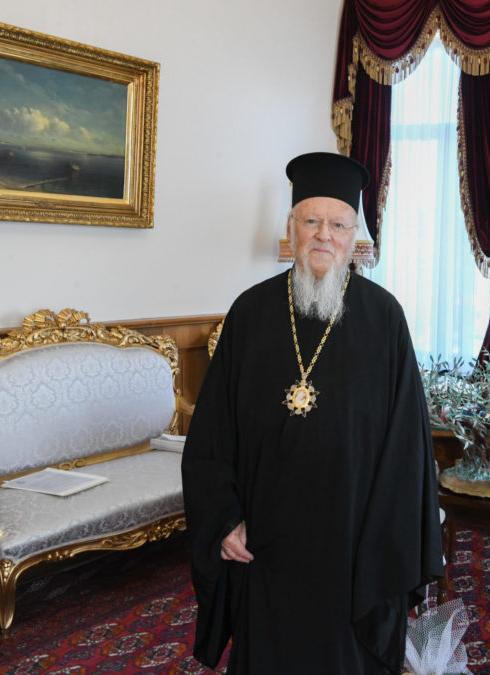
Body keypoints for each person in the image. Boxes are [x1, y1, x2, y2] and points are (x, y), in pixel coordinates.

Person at [182, 152, 443, 674]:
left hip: (352, 546)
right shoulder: (250, 314)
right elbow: (211, 433)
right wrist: (225, 518)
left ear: (355, 238)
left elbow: (407, 448)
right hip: (266, 542)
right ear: (291, 229)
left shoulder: (384, 318)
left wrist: (385, 541)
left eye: (339, 224)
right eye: (311, 221)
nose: (324, 235)